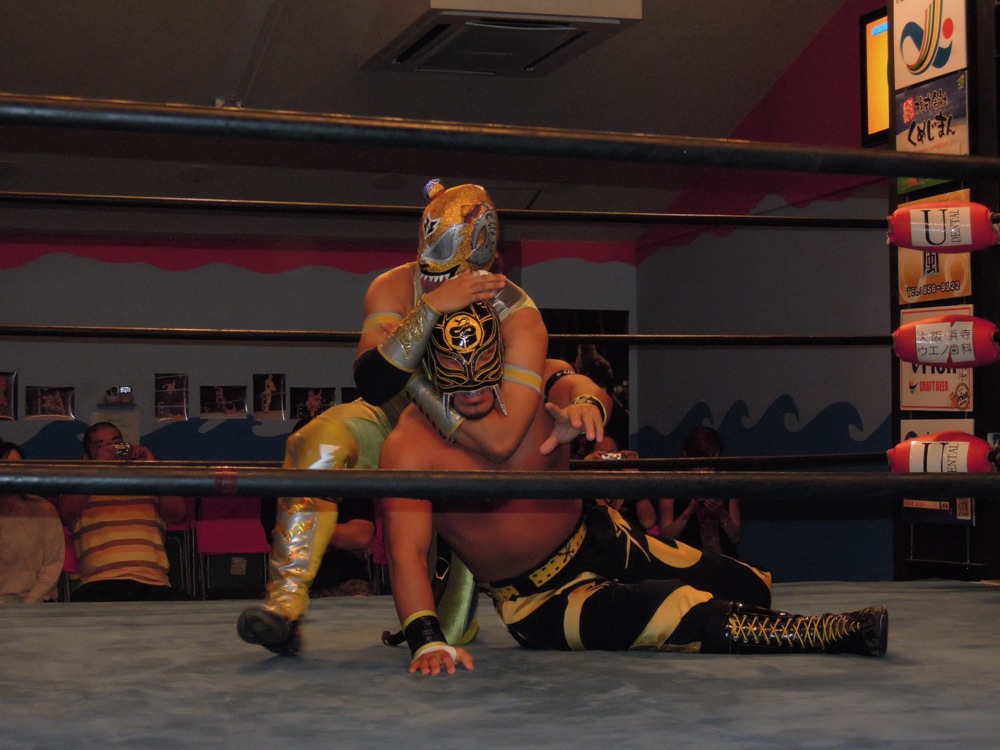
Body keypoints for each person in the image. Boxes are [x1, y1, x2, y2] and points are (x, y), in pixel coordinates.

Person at [379, 305, 888, 675]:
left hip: (606, 536)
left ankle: (775, 615)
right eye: (456, 376)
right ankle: (829, 631)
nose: (472, 389)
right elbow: (407, 552)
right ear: (429, 368)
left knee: (751, 586)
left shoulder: (528, 383)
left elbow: (582, 387)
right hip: (540, 600)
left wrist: (586, 408)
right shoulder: (410, 446)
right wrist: (426, 641)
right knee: (674, 609)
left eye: (483, 373)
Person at [237, 180, 562, 654]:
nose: (434, 284)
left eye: (448, 276)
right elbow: (372, 381)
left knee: (450, 629)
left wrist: (412, 371)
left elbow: (501, 442)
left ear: (486, 264)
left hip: (467, 445)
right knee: (317, 440)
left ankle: (446, 609)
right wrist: (428, 310)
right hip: (389, 419)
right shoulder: (393, 285)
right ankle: (284, 604)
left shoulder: (518, 315)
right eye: (428, 272)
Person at [53, 422, 188, 601]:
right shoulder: (80, 487)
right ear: (87, 457)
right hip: (99, 583)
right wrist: (97, 468)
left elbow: (177, 514)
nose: (110, 449)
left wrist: (153, 468)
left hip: (153, 582)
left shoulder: (149, 483)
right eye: (100, 446)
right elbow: (64, 514)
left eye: (116, 443)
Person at [658, 426, 741, 558]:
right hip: (686, 560)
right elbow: (666, 536)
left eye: (711, 463)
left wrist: (721, 512)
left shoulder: (726, 485)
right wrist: (689, 511)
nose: (706, 469)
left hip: (723, 561)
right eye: (701, 463)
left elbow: (736, 537)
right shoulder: (672, 487)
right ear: (686, 458)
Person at [0, 441, 65, 603]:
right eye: (5, 465)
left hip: (36, 605)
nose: (12, 471)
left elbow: (53, 563)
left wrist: (31, 603)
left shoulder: (43, 509)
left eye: (17, 466)